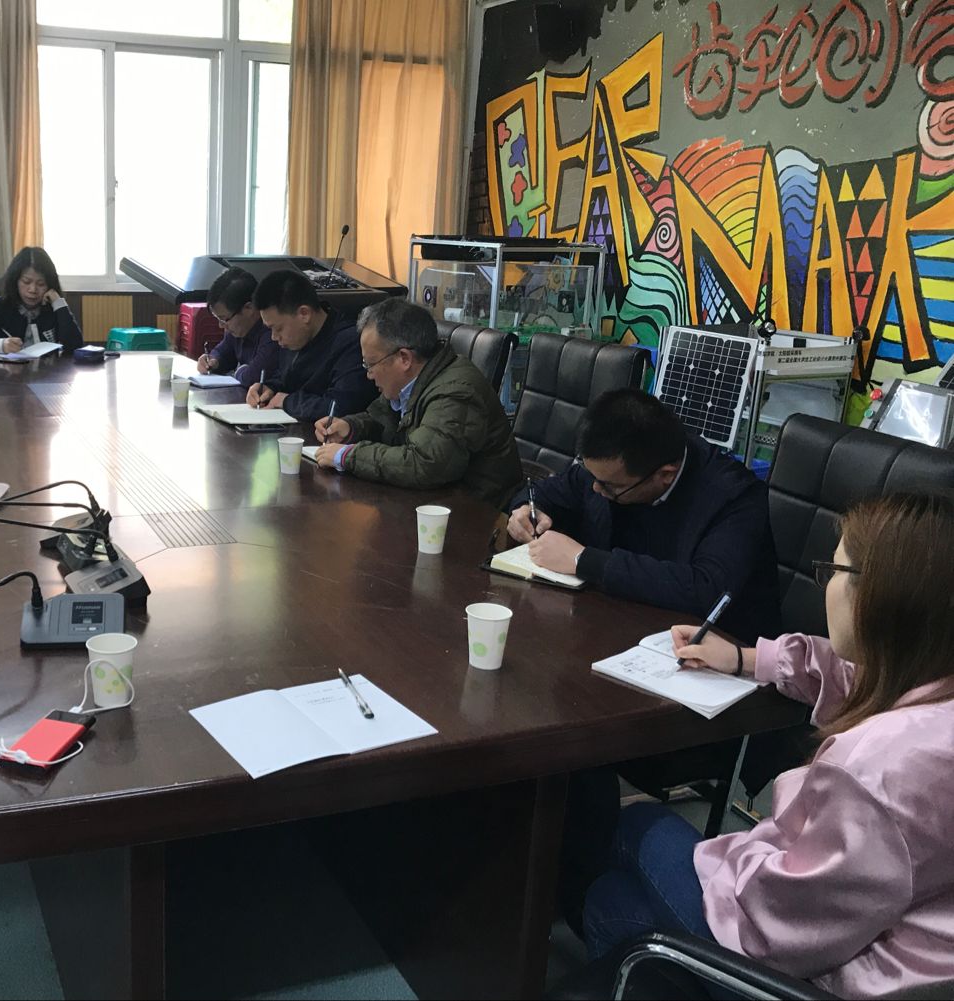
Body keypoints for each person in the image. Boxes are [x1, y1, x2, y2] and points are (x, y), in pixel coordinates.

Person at [581, 491, 954, 998]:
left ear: (880, 596)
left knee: (630, 840)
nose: (827, 586)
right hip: (908, 940)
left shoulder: (880, 768)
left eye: (833, 570)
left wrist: (738, 856)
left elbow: (779, 931)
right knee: (617, 899)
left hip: (827, 974)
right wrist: (745, 659)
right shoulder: (932, 684)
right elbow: (855, 673)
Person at [497, 388, 779, 642]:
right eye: (590, 475)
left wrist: (583, 560)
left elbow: (706, 590)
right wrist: (526, 509)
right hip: (610, 623)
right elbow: (545, 491)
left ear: (665, 475)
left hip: (710, 651)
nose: (595, 488)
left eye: (609, 486)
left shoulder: (735, 498)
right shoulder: (606, 469)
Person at [312, 298, 524, 505]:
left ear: (404, 358)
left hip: (477, 512)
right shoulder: (410, 382)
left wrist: (348, 456)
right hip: (430, 501)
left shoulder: (456, 391)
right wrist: (350, 427)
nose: (369, 375)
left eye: (371, 364)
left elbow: (425, 464)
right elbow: (381, 419)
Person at [245, 269, 376, 424]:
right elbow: (287, 378)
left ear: (304, 314)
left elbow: (339, 408)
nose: (274, 337)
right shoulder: (297, 337)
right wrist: (270, 388)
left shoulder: (350, 343)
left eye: (278, 328)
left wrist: (287, 401)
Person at [0, 246, 84, 357]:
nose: (33, 290)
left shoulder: (53, 308)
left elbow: (75, 346)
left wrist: (58, 303)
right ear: (15, 281)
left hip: (47, 375)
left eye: (41, 284)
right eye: (26, 282)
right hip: (5, 375)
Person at [196, 266, 280, 389]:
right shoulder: (237, 329)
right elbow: (223, 351)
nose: (221, 325)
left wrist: (237, 372)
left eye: (224, 319)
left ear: (249, 308)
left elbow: (253, 377)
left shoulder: (273, 333)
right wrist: (213, 360)